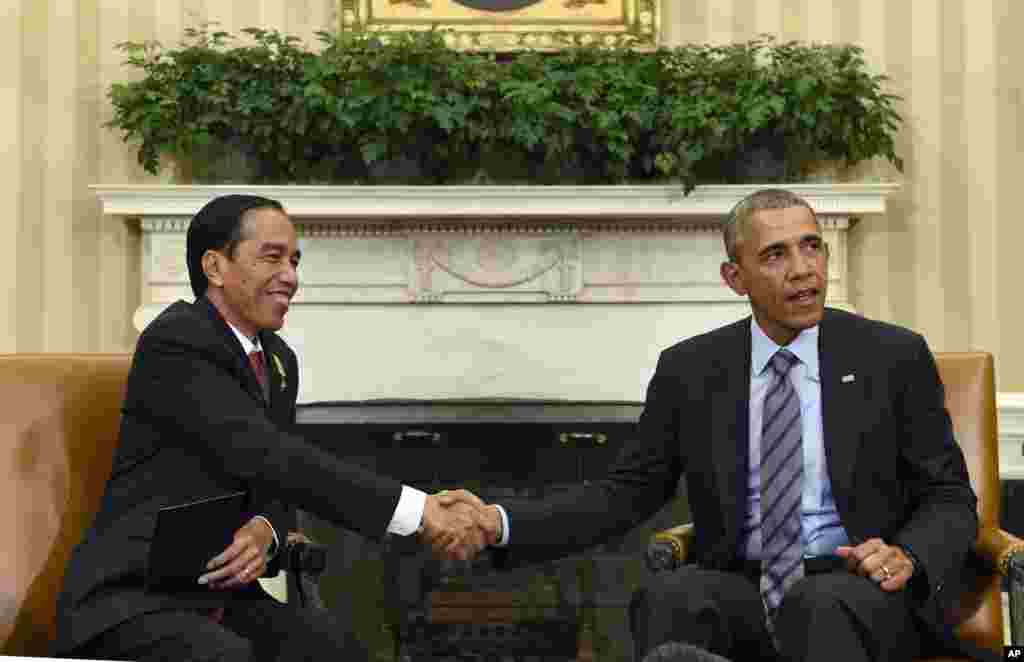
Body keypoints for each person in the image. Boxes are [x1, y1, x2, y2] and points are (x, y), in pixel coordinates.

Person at [453, 189, 994, 662]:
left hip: (860, 595)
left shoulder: (891, 356)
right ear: (735, 278)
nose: (803, 269)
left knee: (818, 603)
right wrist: (501, 523)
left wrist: (908, 555)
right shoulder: (691, 370)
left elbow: (948, 495)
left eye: (811, 246)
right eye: (776, 255)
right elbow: (623, 496)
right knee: (674, 597)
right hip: (745, 589)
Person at [54, 194, 491, 661]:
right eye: (272, 257)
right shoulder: (177, 341)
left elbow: (278, 489)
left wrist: (266, 528)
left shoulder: (277, 360)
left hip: (215, 597)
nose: (291, 276)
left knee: (336, 652)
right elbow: (269, 456)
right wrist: (419, 511)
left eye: (295, 260)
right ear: (215, 266)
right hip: (131, 600)